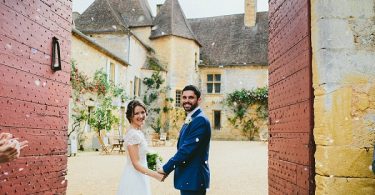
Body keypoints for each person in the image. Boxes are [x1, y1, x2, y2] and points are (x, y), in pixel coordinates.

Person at [158, 85, 211, 195]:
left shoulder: (200, 120)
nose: (187, 101)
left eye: (191, 97)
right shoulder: (192, 118)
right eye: (184, 97)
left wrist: (166, 168)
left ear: (199, 99)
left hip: (194, 178)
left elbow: (186, 150)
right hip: (189, 177)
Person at [117, 100, 165, 195]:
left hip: (141, 174)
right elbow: (136, 163)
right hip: (135, 177)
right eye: (136, 113)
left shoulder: (137, 132)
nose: (141, 116)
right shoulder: (133, 134)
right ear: (130, 116)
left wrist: (154, 160)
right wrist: (156, 175)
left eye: (143, 112)